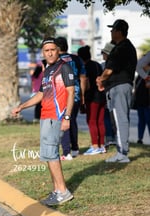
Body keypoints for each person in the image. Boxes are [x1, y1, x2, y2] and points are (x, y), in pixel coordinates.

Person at [12, 37, 75, 206]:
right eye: (47, 50)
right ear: (43, 53)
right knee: (48, 154)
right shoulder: (47, 70)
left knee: (52, 153)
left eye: (52, 49)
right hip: (45, 116)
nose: (50, 53)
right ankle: (56, 190)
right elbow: (40, 94)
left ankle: (63, 191)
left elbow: (71, 92)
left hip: (56, 116)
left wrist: (67, 117)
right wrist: (22, 106)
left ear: (57, 50)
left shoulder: (64, 67)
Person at [96, 19, 137, 163]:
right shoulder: (122, 46)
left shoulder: (122, 47)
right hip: (119, 86)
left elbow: (109, 69)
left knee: (120, 120)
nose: (111, 32)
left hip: (119, 86)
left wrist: (101, 79)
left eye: (113, 30)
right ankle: (122, 152)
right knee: (119, 119)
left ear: (119, 32)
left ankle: (122, 153)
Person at [55, 37, 88, 160]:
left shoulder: (56, 61)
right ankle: (75, 149)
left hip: (62, 97)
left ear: (57, 48)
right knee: (72, 121)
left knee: (64, 122)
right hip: (76, 95)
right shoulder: (77, 59)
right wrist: (83, 95)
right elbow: (83, 78)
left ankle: (66, 153)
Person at [77, 45, 106, 155]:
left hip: (91, 97)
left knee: (91, 121)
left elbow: (85, 84)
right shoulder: (97, 65)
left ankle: (94, 146)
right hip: (101, 96)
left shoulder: (84, 68)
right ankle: (102, 145)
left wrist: (82, 98)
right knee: (100, 121)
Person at [100, 42, 117, 147]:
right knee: (110, 117)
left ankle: (112, 138)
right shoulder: (104, 65)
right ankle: (113, 137)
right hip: (107, 94)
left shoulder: (105, 66)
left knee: (109, 117)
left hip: (109, 93)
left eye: (104, 53)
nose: (103, 55)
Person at [134, 52, 150, 144]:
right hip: (140, 102)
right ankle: (140, 138)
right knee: (141, 121)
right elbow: (136, 88)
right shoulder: (140, 76)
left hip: (148, 102)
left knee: (149, 121)